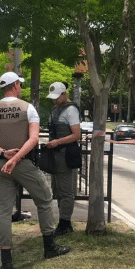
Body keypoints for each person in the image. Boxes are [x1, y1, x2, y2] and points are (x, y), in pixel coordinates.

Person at [0, 72, 70, 269]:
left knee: (3, 211)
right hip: (23, 163)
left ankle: (6, 259)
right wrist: (15, 159)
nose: (20, 86)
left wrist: (3, 154)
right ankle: (50, 246)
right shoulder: (28, 108)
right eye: (19, 83)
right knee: (45, 199)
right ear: (15, 85)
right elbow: (33, 139)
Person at [44, 82, 82, 236]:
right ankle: (62, 222)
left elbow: (76, 134)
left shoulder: (71, 110)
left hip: (66, 154)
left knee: (66, 191)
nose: (54, 101)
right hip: (55, 153)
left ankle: (65, 223)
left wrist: (57, 142)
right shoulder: (55, 110)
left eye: (56, 98)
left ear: (64, 94)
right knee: (57, 189)